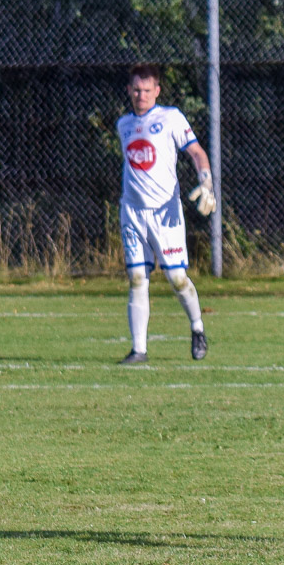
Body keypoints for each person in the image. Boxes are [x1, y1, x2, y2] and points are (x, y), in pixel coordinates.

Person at [115, 64, 214, 365]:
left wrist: (206, 181)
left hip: (165, 213)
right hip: (132, 213)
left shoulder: (171, 118)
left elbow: (196, 152)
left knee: (177, 279)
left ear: (157, 91)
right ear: (129, 91)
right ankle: (139, 350)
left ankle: (197, 327)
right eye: (136, 89)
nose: (141, 95)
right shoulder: (123, 125)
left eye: (147, 90)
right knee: (137, 277)